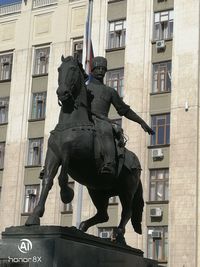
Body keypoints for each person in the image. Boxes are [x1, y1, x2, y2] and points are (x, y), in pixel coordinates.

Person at [87, 56, 154, 176]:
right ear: (92, 70)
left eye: (103, 69)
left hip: (102, 121)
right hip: (86, 119)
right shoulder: (85, 88)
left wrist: (141, 122)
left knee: (106, 129)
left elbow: (124, 110)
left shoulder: (110, 91)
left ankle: (109, 163)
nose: (101, 71)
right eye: (98, 69)